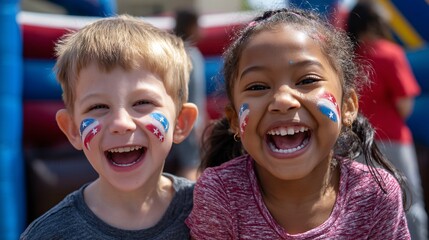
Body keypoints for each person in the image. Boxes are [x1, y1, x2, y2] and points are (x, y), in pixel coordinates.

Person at [186, 8, 411, 239]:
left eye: (307, 80)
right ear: (234, 120)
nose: (283, 100)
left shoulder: (375, 196)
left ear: (348, 107)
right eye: (258, 87)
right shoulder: (219, 194)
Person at [20, 15, 198, 239]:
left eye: (142, 103)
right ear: (73, 130)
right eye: (98, 106)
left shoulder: (213, 213)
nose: (121, 123)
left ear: (181, 123)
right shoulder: (49, 234)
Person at [346, 2, 427, 239]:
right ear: (379, 23)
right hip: (392, 139)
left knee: (359, 204)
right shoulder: (389, 53)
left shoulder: (348, 59)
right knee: (408, 200)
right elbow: (404, 104)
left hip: (355, 143)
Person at [165, 9, 207, 180]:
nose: (201, 31)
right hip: (189, 121)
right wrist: (198, 122)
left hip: (181, 119)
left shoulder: (173, 54)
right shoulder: (190, 55)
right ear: (191, 27)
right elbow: (194, 93)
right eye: (198, 26)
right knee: (191, 165)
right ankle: (191, 202)